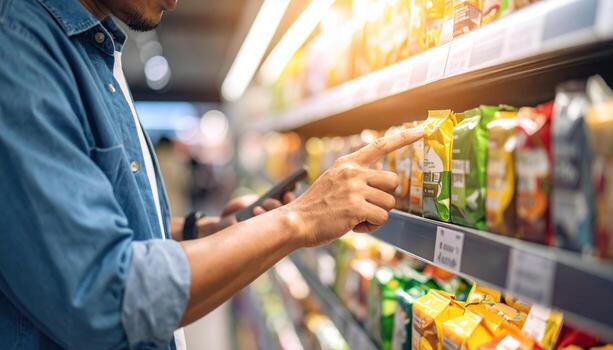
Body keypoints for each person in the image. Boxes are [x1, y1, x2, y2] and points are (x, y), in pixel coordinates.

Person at [0, 0, 424, 349]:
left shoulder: (94, 49)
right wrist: (300, 219)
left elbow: (96, 227)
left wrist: (207, 231)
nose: (175, 1)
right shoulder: (19, 47)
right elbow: (103, 295)